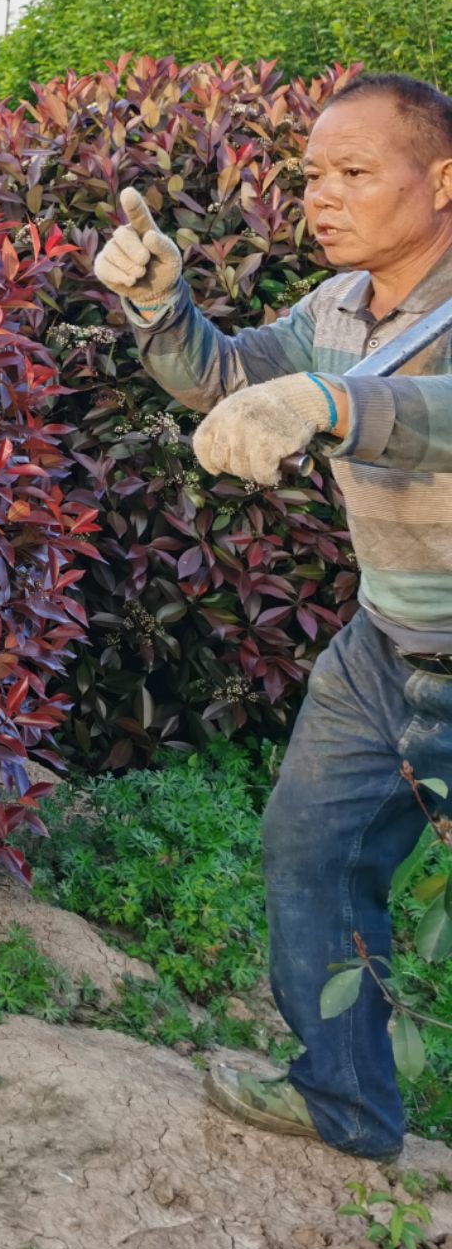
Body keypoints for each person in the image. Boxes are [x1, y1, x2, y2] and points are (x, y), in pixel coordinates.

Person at [93, 70, 452, 1163]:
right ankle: (345, 1104)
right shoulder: (336, 309)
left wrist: (336, 403)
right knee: (309, 852)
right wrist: (161, 303)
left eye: (354, 172)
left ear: (442, 181)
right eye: (311, 175)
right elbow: (229, 377)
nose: (323, 196)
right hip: (384, 645)